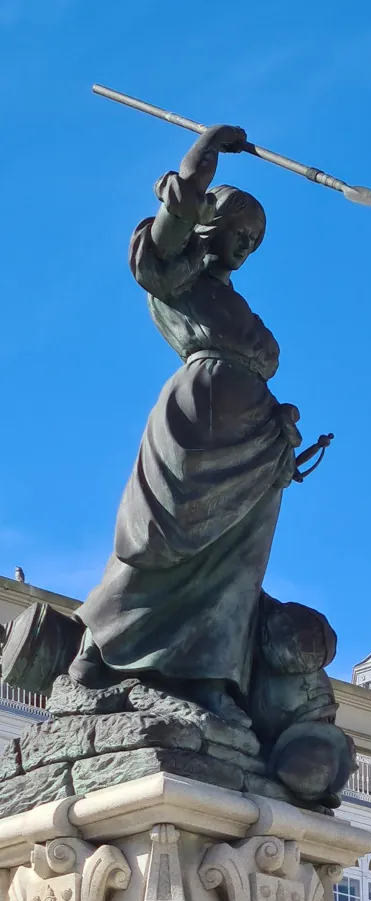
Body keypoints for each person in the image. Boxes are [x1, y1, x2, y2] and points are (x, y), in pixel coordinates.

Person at [69, 125, 302, 727]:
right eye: (238, 230)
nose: (246, 245)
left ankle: (207, 680)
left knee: (238, 559)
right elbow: (175, 213)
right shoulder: (174, 272)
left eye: (255, 240)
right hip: (197, 421)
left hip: (255, 441)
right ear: (207, 220)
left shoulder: (233, 301)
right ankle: (100, 650)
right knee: (166, 539)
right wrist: (205, 150)